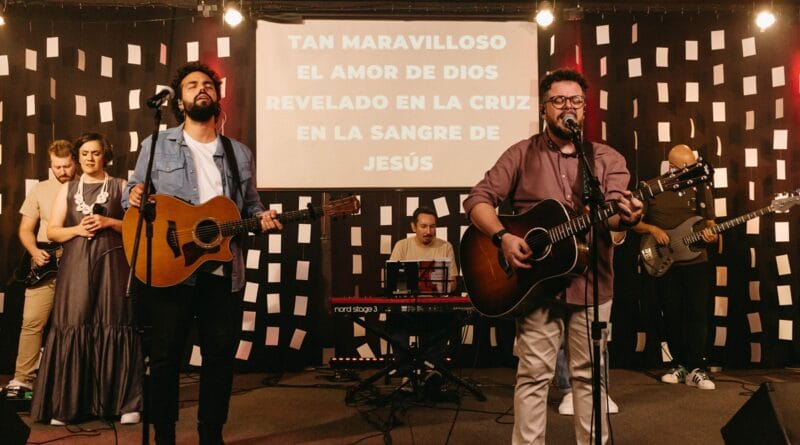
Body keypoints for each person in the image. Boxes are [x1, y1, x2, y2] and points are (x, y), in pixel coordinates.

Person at [463, 68, 643, 444]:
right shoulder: (521, 154)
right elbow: (477, 200)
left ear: (584, 108)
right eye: (559, 101)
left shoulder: (607, 159)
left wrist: (627, 216)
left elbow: (612, 217)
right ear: (544, 108)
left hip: (592, 281)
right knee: (533, 375)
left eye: (575, 101)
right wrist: (503, 239)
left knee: (589, 376)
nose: (568, 107)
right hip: (535, 286)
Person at [122, 62, 282, 445]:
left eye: (207, 84)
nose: (201, 89)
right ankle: (164, 437)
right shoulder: (156, 144)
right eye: (192, 85)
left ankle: (212, 435)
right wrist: (134, 194)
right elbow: (133, 189)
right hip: (169, 268)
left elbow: (251, 207)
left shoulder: (239, 152)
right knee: (164, 360)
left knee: (219, 359)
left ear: (216, 96)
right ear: (180, 100)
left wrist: (264, 219)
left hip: (222, 272)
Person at [31, 133, 142, 425]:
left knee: (115, 320)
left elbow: (137, 228)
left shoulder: (120, 186)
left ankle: (125, 403)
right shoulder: (68, 189)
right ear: (78, 158)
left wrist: (108, 223)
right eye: (84, 154)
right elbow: (53, 231)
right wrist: (78, 230)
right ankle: (67, 404)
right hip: (76, 264)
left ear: (106, 156)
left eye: (95, 153)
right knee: (75, 322)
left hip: (113, 262)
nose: (89, 158)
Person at [632, 144, 717, 390]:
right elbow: (635, 223)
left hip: (696, 259)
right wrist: (653, 229)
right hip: (667, 261)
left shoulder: (700, 184)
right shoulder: (652, 187)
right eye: (686, 169)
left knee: (698, 314)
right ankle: (679, 365)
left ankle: (697, 368)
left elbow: (710, 221)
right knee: (672, 313)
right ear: (672, 169)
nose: (692, 172)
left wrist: (711, 232)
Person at [3, 140, 77, 400]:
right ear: (50, 165)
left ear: (75, 162)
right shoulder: (40, 190)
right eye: (57, 167)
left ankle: (72, 379)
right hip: (45, 260)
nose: (62, 171)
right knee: (32, 322)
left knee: (74, 324)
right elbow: (25, 229)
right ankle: (23, 379)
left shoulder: (86, 188)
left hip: (77, 261)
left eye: (67, 165)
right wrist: (34, 251)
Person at [386, 206, 458, 392]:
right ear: (414, 226)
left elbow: (453, 283)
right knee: (395, 319)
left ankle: (430, 370)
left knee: (444, 320)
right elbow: (393, 281)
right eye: (424, 226)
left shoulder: (445, 246)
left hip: (433, 308)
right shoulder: (402, 246)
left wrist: (443, 287)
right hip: (407, 310)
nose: (428, 231)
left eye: (432, 227)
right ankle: (406, 373)